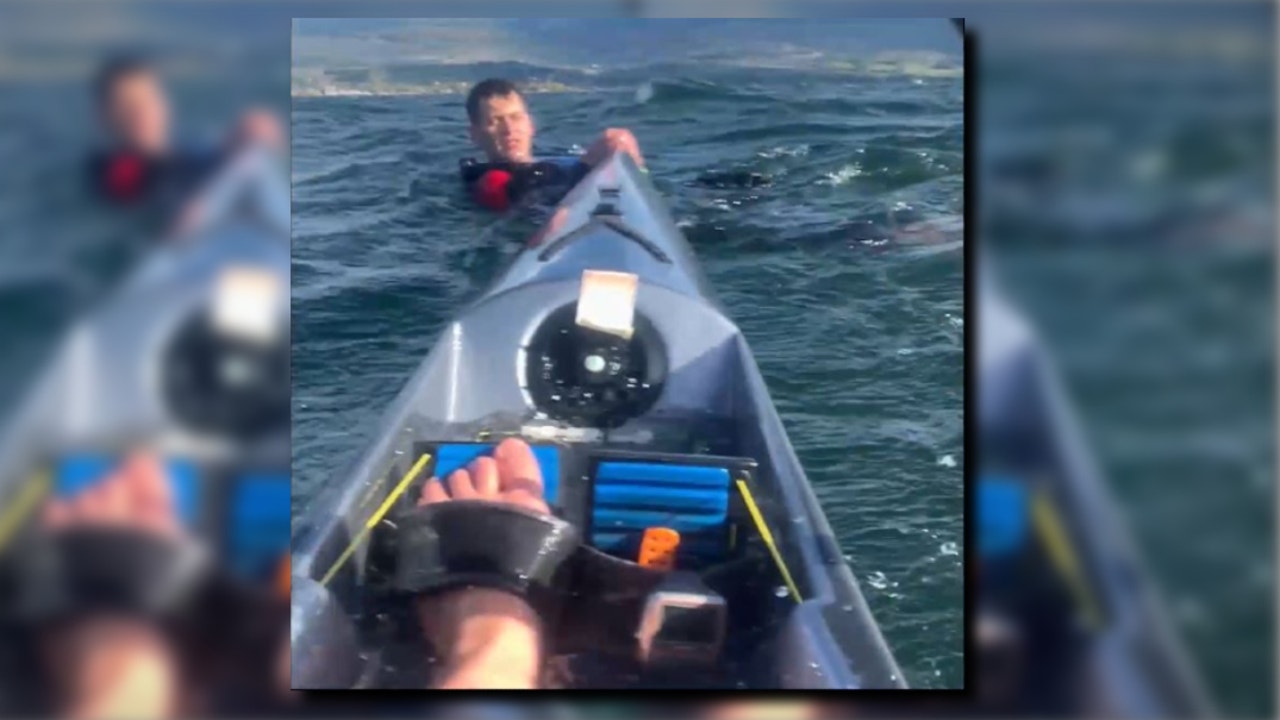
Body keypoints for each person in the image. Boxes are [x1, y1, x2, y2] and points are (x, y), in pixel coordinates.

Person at [87, 54, 284, 232]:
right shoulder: (114, 175)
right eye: (128, 105)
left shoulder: (189, 151)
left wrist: (240, 140)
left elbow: (192, 166)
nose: (142, 113)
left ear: (166, 105)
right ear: (104, 117)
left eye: (149, 99)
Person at [462, 78, 645, 212]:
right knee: (618, 140)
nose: (509, 129)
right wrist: (586, 167)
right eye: (495, 121)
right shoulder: (491, 182)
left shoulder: (557, 162)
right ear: (474, 135)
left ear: (530, 125)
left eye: (516, 117)